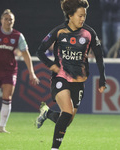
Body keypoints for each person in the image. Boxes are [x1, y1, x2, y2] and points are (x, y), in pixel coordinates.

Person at [36, 0, 106, 149]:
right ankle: (54, 148)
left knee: (67, 119)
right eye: (80, 16)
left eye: (84, 16)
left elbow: (99, 56)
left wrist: (102, 79)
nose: (83, 19)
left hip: (79, 80)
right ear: (70, 15)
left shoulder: (89, 33)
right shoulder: (59, 31)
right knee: (67, 112)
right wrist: (51, 65)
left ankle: (47, 113)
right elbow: (40, 51)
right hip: (60, 77)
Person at [0, 9, 39, 133]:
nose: (8, 21)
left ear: (14, 21)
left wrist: (32, 73)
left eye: (11, 19)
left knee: (7, 97)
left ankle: (1, 127)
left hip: (10, 70)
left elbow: (26, 54)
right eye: (6, 19)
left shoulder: (18, 36)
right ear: (1, 20)